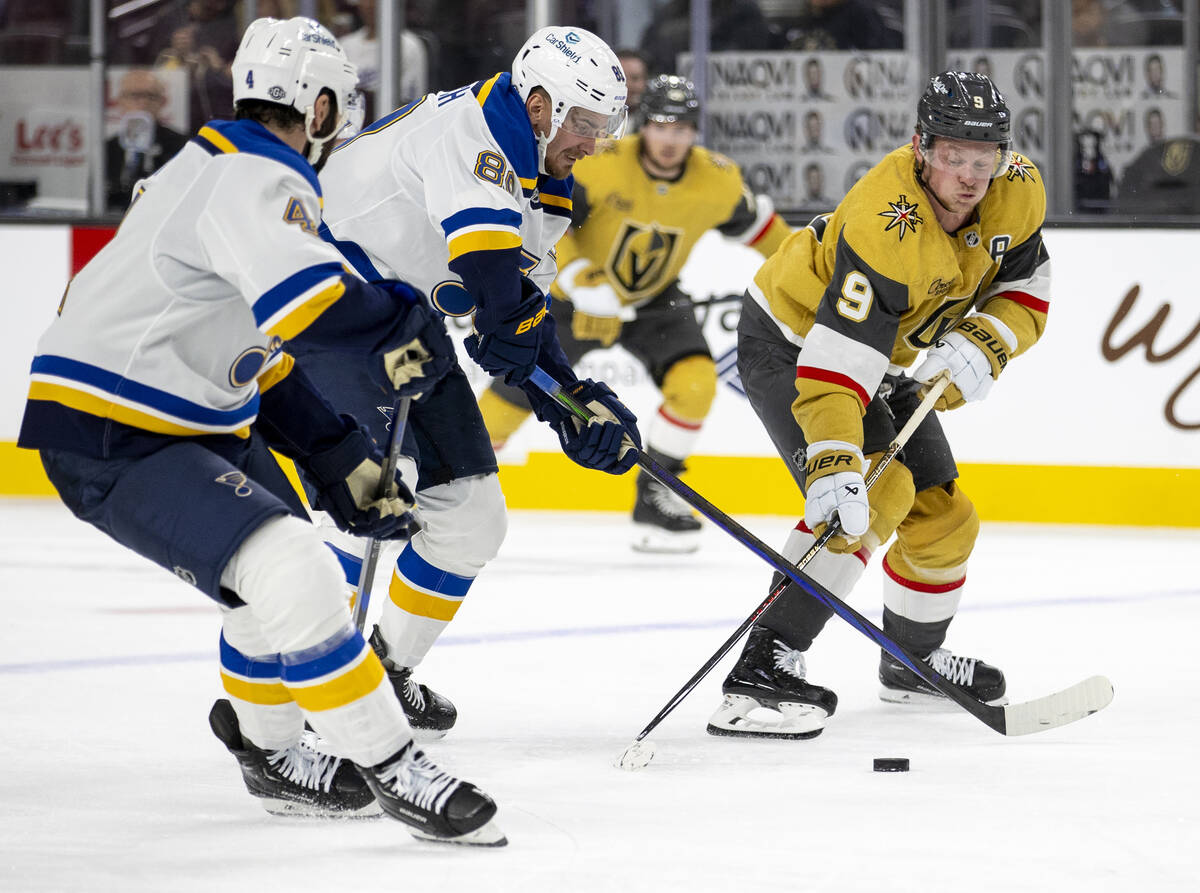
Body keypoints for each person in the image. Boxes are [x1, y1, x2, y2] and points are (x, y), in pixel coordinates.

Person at [17, 16, 505, 847]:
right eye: (337, 109)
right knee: (290, 564)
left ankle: (271, 755)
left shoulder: (217, 170)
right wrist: (402, 320)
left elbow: (263, 351)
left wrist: (337, 454)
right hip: (117, 428)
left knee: (263, 582)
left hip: (192, 410)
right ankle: (395, 767)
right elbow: (316, 305)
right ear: (318, 107)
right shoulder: (252, 175)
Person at [286, 25, 642, 734]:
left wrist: (573, 403)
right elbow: (493, 290)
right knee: (372, 495)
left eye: (605, 127)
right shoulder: (473, 129)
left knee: (473, 518)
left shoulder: (549, 184)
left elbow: (511, 330)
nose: (594, 141)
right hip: (322, 304)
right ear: (540, 105)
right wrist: (556, 395)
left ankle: (380, 675)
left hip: (401, 324)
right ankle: (311, 692)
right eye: (585, 123)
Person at [708, 71, 1049, 739]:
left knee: (944, 518)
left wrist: (986, 340)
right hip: (795, 342)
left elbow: (1029, 283)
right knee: (872, 490)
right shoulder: (884, 220)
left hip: (883, 353)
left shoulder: (1019, 189)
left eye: (985, 159)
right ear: (922, 148)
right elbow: (838, 366)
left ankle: (911, 660)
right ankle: (762, 665)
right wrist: (834, 460)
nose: (972, 176)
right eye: (954, 156)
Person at [478, 75, 790, 553]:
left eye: (683, 128)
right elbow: (547, 220)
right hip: (570, 299)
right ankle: (450, 494)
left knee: (696, 385)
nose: (671, 139)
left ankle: (654, 496)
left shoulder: (717, 180)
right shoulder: (599, 164)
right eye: (662, 125)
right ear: (644, 127)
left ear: (695, 133)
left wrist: (811, 271)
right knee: (505, 405)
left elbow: (765, 233)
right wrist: (580, 280)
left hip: (654, 303)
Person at [105, 68, 189, 211]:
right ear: (119, 101)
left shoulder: (181, 146)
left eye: (150, 96)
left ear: (162, 102)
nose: (142, 103)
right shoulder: (107, 149)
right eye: (134, 95)